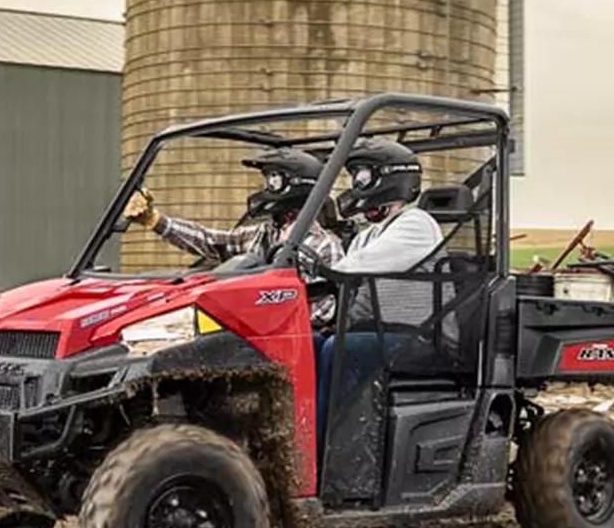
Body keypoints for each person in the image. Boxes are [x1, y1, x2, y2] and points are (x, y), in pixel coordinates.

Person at [314, 137, 445, 446]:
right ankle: (304, 439)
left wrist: (316, 271)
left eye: (362, 176)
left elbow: (355, 267)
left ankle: (328, 448)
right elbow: (359, 299)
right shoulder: (367, 234)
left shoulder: (417, 224)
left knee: (339, 350)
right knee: (312, 343)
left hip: (420, 337)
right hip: (384, 333)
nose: (356, 185)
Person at [121, 147, 346, 325]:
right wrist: (156, 221)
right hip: (252, 337)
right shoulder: (261, 234)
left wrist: (268, 321)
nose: (266, 189)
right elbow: (210, 240)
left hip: (295, 340)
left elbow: (326, 310)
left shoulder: (326, 245)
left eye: (274, 181)